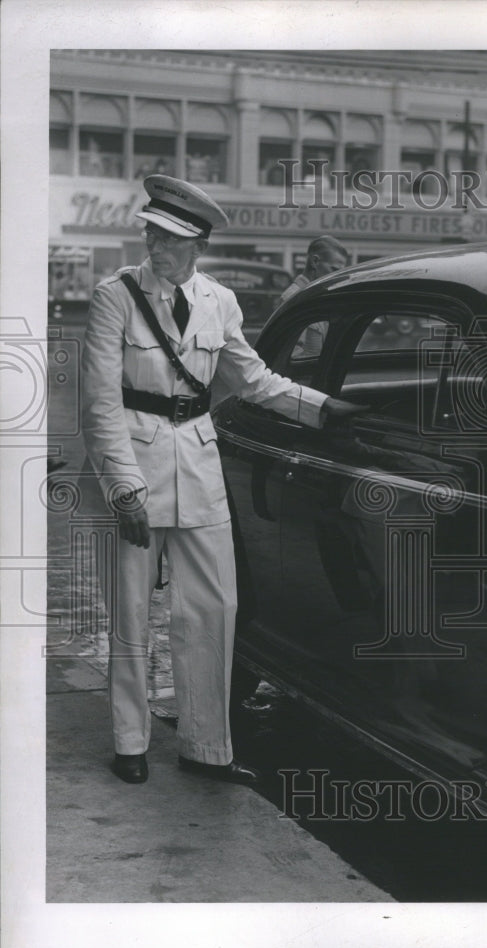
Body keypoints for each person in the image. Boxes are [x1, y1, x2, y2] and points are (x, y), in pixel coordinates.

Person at [81, 174, 361, 786]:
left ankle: (206, 748)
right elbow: (100, 404)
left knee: (213, 609)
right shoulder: (115, 298)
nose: (157, 246)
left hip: (199, 467)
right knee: (131, 611)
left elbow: (252, 378)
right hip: (134, 468)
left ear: (198, 243)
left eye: (171, 238)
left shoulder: (220, 302)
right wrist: (124, 489)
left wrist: (319, 408)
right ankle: (130, 741)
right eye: (152, 232)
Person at [274, 235, 348, 309]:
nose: (337, 276)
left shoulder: (309, 294)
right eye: (334, 270)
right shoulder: (292, 297)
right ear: (315, 261)